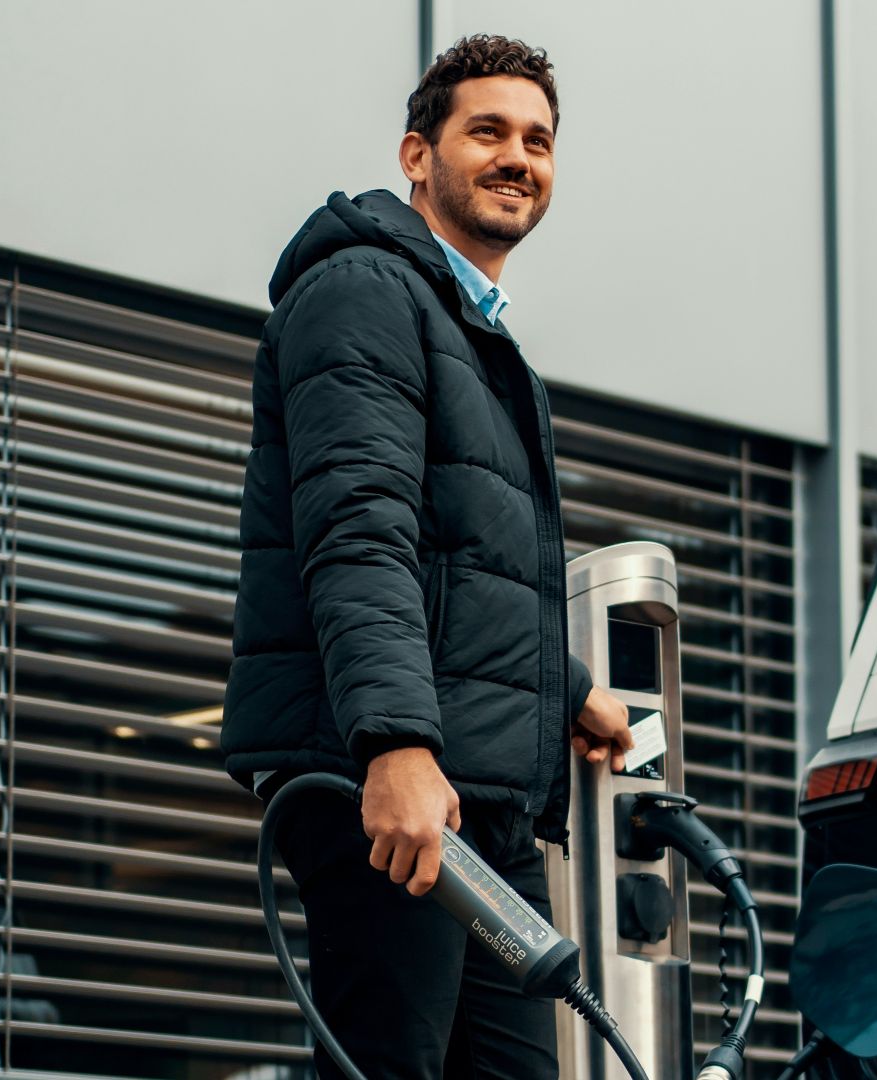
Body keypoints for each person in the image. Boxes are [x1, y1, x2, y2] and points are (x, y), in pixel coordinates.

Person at [219, 35, 633, 1080]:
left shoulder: (473, 332)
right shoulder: (366, 289)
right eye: (486, 130)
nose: (517, 157)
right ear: (417, 153)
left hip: (477, 798)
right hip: (393, 782)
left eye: (538, 140)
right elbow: (360, 532)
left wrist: (568, 687)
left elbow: (463, 560)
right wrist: (394, 747)